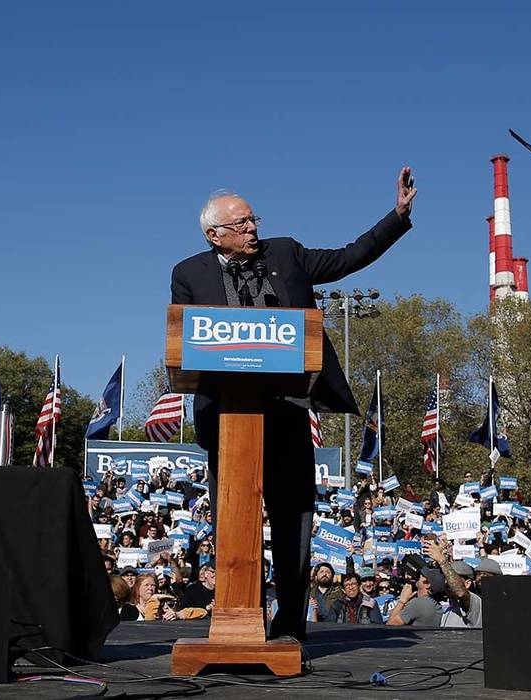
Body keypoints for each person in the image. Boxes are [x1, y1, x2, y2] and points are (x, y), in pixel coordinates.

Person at [170, 169, 416, 642]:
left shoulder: (285, 253)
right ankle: (238, 617)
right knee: (232, 518)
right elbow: (186, 338)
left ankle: (288, 627)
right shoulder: (188, 273)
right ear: (213, 234)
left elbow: (350, 257)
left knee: (294, 519)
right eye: (240, 224)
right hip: (228, 416)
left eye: (253, 219)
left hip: (286, 407)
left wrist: (397, 216)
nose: (252, 229)